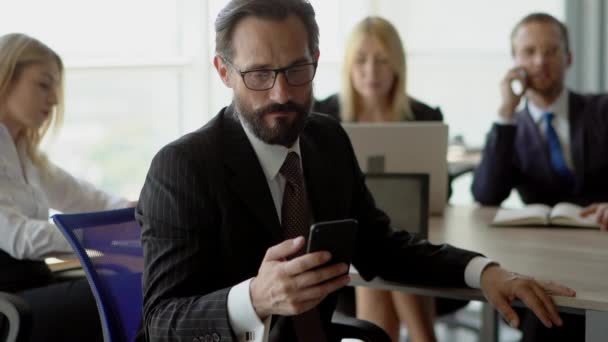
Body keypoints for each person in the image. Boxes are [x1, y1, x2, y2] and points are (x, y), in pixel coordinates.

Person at [137, 2, 574, 341]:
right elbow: (160, 323)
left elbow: (382, 246)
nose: (281, 92)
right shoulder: (183, 168)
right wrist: (255, 297)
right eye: (258, 75)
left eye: (296, 69)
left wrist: (485, 271)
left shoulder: (326, 140)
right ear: (224, 71)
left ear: (316, 59)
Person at [314, 16, 461, 342]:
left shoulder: (424, 116)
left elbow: (442, 192)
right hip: (350, 257)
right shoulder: (322, 117)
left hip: (405, 244)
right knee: (383, 255)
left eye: (382, 60)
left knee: (395, 250)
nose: (371, 71)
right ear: (349, 66)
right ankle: (425, 337)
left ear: (397, 65)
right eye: (361, 60)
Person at [471, 12, 608, 341]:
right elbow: (487, 193)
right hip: (544, 257)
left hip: (602, 250)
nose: (540, 61)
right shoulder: (511, 128)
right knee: (541, 313)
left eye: (551, 51)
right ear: (515, 62)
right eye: (529, 52)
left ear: (569, 58)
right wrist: (505, 112)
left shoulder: (601, 110)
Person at [0, 33, 135, 342]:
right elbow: (22, 239)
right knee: (114, 293)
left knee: (126, 281)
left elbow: (84, 197)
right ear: (6, 78)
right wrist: (102, 235)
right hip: (8, 301)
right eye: (43, 85)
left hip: (32, 286)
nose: (55, 100)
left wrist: (131, 213)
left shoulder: (25, 153)